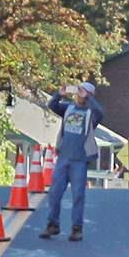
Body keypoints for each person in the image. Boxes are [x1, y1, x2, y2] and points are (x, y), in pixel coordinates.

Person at [37, 80, 101, 241]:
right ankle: (53, 225)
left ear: (89, 95)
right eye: (79, 90)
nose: (79, 93)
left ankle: (76, 228)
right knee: (54, 193)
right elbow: (52, 105)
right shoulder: (69, 108)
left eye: (83, 91)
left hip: (79, 160)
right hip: (63, 157)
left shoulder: (91, 113)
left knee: (78, 194)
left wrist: (88, 99)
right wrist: (60, 93)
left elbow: (100, 112)